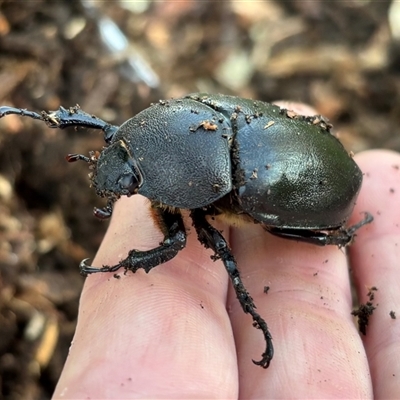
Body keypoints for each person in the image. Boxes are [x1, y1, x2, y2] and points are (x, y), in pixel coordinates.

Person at [53, 103, 400, 399]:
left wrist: (127, 262)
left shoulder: (219, 171)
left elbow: (179, 244)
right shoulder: (199, 113)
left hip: (325, 183)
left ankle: (334, 238)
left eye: (132, 181)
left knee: (269, 229)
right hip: (290, 142)